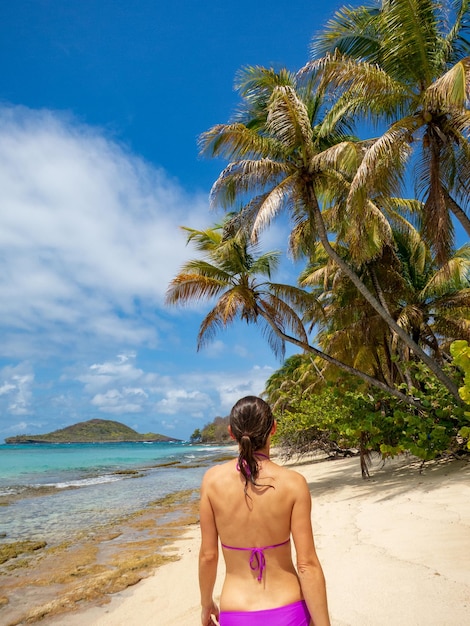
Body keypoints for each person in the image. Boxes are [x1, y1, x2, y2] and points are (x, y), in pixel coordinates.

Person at [198, 396, 331, 626]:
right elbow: (307, 564)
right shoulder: (293, 483)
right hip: (288, 610)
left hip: (236, 611)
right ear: (274, 428)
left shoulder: (212, 481)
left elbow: (208, 556)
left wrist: (206, 603)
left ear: (231, 433)